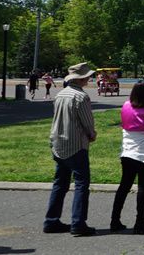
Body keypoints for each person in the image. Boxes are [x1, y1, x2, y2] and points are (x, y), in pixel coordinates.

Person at [43, 63, 97, 236]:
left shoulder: (60, 94)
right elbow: (87, 123)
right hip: (76, 145)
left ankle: (51, 220)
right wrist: (92, 134)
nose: (89, 79)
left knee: (60, 183)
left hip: (58, 143)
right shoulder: (81, 97)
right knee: (81, 184)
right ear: (81, 79)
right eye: (87, 76)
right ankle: (78, 223)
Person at [110, 79, 144, 234]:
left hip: (127, 152)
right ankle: (140, 223)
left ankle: (114, 220)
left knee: (124, 186)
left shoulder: (126, 106)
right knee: (143, 188)